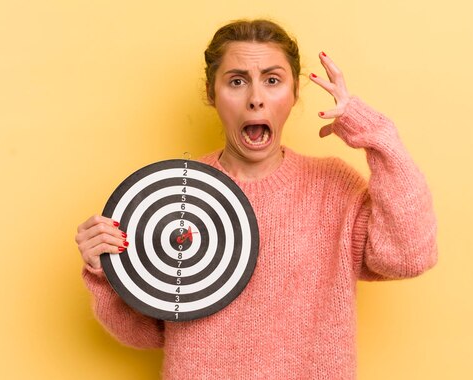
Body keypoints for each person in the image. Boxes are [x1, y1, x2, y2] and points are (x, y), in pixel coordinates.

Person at [75, 19, 438, 379]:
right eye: (236, 81)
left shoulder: (333, 187)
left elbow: (408, 257)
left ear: (295, 92)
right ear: (211, 92)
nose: (255, 99)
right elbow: (145, 334)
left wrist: (372, 132)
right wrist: (106, 271)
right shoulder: (173, 195)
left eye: (272, 80)